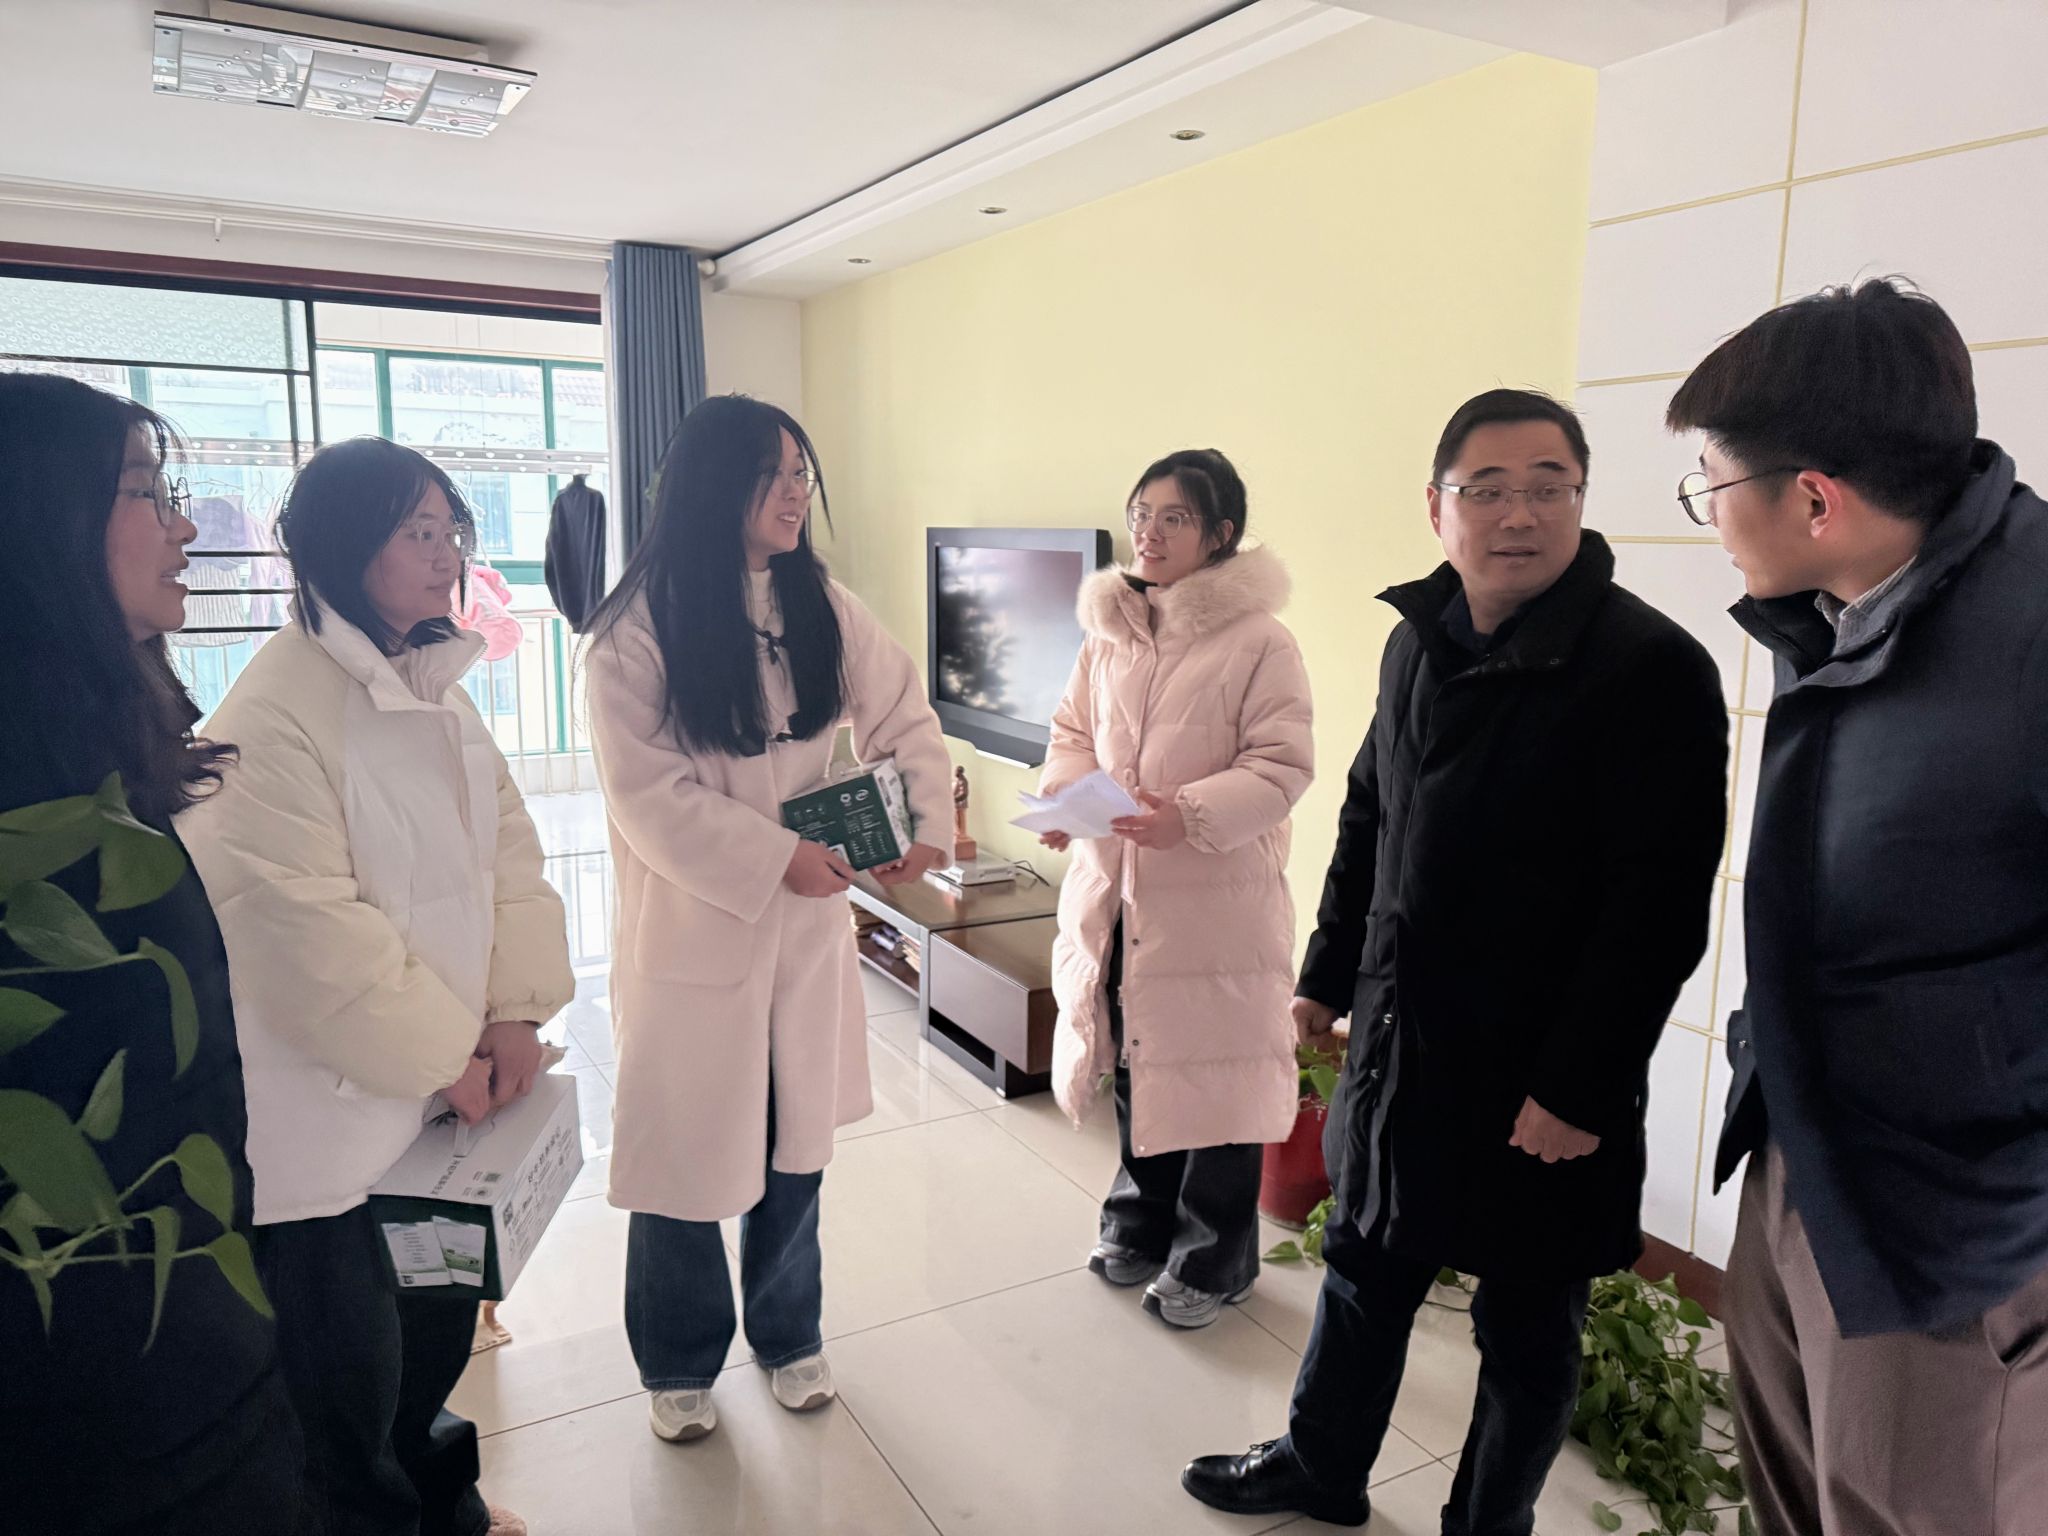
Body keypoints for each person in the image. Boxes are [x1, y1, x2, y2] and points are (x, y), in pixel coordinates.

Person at [1185, 389, 1728, 1532]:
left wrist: (1576, 1089)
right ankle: (1320, 1467)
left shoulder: (1646, 667)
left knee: (1524, 1327)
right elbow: (1368, 815)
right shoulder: (1415, 639)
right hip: (1402, 1041)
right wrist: (1324, 974)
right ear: (1436, 509)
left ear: (1579, 501)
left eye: (1546, 488)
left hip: (1540, 1074)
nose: (1516, 514)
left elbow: (1656, 907)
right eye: (1485, 489)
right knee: (1362, 1267)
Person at [1670, 278, 2048, 1535]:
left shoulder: (2030, 633)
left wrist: (1999, 1191)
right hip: (1804, 1153)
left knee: (1906, 1509)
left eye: (1710, 485)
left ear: (1813, 499)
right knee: (1786, 1492)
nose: (1708, 517)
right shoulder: (1844, 609)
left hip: (1950, 1230)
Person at [181, 436, 574, 1536]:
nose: (448, 555)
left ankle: (446, 1511)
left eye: (452, 529)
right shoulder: (274, 710)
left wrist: (513, 1012)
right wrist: (449, 1055)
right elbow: (300, 931)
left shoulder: (432, 681)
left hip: (437, 1099)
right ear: (342, 547)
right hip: (335, 1131)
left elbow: (508, 849)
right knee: (347, 1387)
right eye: (418, 532)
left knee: (431, 1343)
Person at [584, 394, 952, 1445]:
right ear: (716, 485)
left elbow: (903, 710)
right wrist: (773, 856)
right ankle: (676, 1359)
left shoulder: (816, 601)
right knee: (683, 1159)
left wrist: (921, 821)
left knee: (794, 1148)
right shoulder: (632, 630)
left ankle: (789, 1335)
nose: (796, 494)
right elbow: (649, 798)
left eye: (802, 474)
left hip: (801, 933)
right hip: (693, 932)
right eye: (775, 474)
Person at [0, 373, 300, 1532]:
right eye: (143, 491)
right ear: (36, 519)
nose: (183, 528)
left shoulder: (97, 752)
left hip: (187, 1318)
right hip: (91, 1377)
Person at [1037, 448, 1313, 1328]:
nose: (1149, 533)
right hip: (1119, 893)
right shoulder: (1110, 631)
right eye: (1141, 514)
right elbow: (1071, 732)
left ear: (1220, 534)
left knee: (1217, 1082)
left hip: (1216, 907)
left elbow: (1282, 767)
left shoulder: (1261, 642)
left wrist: (1185, 815)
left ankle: (1216, 1259)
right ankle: (1139, 1221)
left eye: (1174, 518)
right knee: (1139, 1056)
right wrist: (1067, 802)